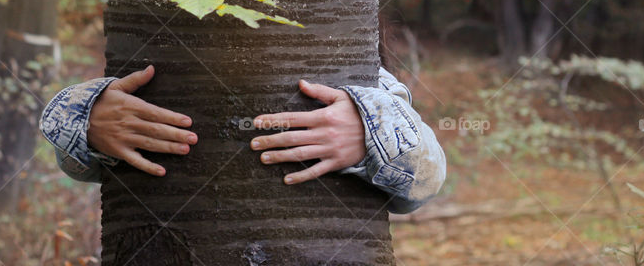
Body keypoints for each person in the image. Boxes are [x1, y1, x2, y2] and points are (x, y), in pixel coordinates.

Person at [40, 63, 446, 214]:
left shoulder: (362, 72)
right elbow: (76, 164)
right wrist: (87, 117)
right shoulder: (159, 61)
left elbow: (424, 181)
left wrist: (369, 131)